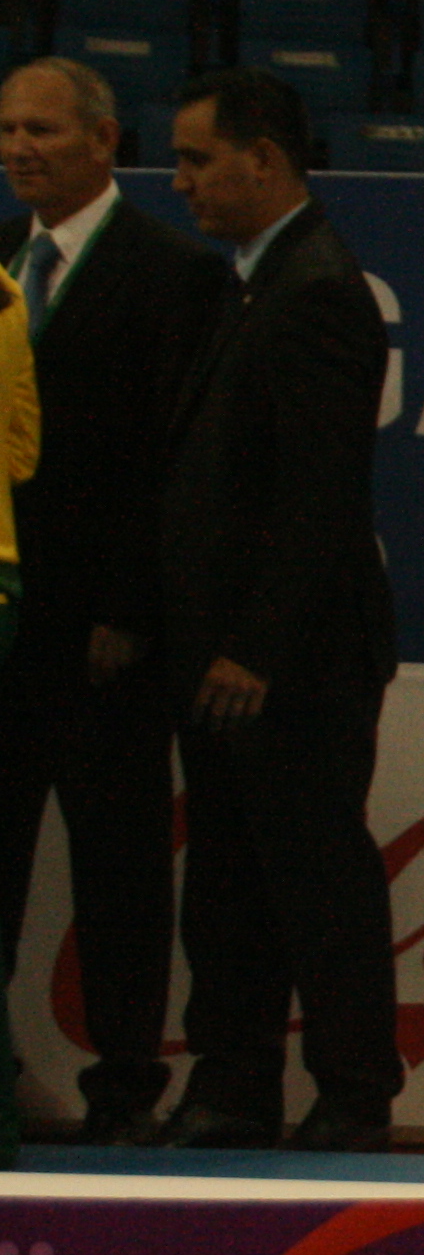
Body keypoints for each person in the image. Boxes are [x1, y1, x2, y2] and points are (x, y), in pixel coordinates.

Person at [148, 70, 402, 1154]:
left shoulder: (320, 290)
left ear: (265, 158)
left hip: (292, 660)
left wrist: (257, 649)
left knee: (313, 876)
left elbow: (318, 494)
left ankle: (350, 1094)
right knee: (230, 881)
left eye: (200, 158)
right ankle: (235, 1081)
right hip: (223, 653)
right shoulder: (253, 282)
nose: (183, 180)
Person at [0, 57, 228, 1148]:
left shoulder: (171, 272)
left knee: (121, 873)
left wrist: (131, 610)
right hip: (7, 628)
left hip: (107, 640)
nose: (17, 148)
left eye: (40, 128)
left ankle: (126, 1085)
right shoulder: (3, 271)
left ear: (101, 141)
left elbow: (172, 465)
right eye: (6, 130)